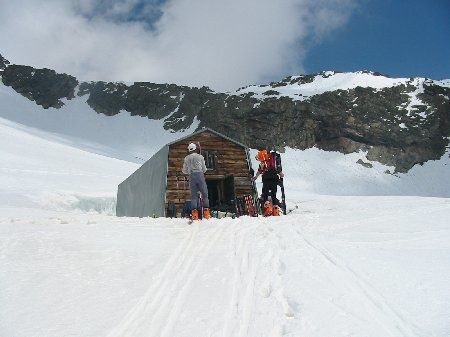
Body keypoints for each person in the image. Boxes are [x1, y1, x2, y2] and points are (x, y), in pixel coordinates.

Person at [182, 142, 211, 220]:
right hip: (200, 175)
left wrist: (189, 171)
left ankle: (195, 214)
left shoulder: (186, 158)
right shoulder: (200, 157)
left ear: (189, 150)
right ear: (195, 148)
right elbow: (204, 169)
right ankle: (206, 213)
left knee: (194, 196)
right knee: (205, 195)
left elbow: (184, 171)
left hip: (191, 176)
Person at [252, 148, 284, 216]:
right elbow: (278, 169)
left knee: (265, 194)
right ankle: (276, 210)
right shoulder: (273, 160)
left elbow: (260, 171)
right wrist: (281, 174)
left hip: (266, 179)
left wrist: (255, 177)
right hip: (274, 178)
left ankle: (268, 208)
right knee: (273, 194)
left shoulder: (263, 163)